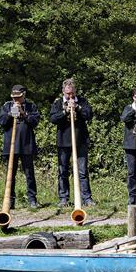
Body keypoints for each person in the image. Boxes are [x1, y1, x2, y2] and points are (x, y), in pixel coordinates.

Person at [49, 78, 95, 207]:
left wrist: (78, 107)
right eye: (68, 93)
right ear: (63, 92)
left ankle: (86, 198)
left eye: (72, 93)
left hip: (80, 141)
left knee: (82, 171)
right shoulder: (58, 103)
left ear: (75, 91)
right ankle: (64, 198)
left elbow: (89, 115)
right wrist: (65, 111)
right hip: (64, 142)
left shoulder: (82, 101)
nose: (70, 96)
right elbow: (52, 118)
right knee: (63, 171)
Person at [0, 85, 40, 208]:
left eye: (19, 97)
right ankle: (9, 200)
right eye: (14, 97)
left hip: (26, 144)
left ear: (24, 95)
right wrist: (10, 114)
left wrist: (24, 113)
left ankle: (32, 200)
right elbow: (1, 122)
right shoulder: (6, 106)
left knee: (29, 174)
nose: (16, 99)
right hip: (10, 145)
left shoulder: (31, 106)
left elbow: (35, 122)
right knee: (10, 174)